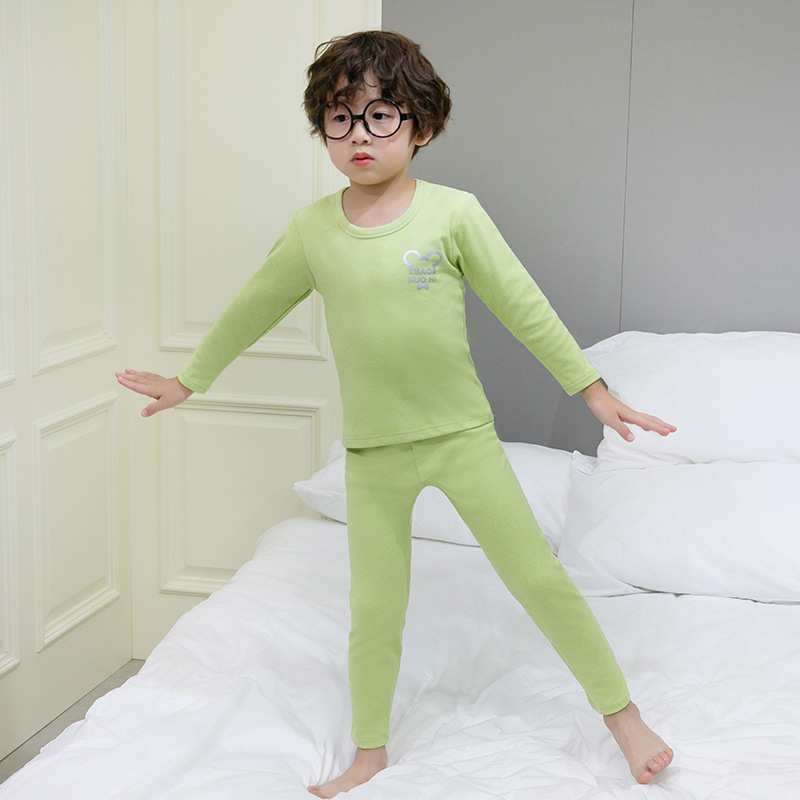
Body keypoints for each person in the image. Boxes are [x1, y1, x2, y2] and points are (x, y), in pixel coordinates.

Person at [117, 30, 675, 799]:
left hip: (461, 441)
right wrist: (190, 380)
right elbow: (252, 308)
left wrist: (591, 389)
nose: (359, 135)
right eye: (339, 118)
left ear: (421, 125)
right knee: (375, 611)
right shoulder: (313, 232)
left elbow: (523, 306)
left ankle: (624, 718)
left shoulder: (452, 214)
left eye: (380, 116)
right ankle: (369, 754)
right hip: (374, 456)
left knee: (539, 580)